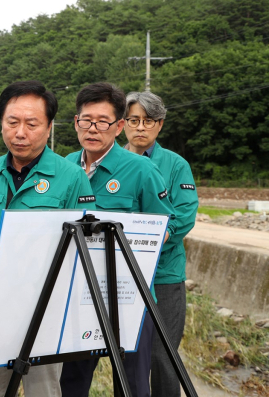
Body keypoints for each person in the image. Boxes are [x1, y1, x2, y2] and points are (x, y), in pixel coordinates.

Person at [0, 80, 96, 397]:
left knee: (43, 389)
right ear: (1, 123)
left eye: (31, 124)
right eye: (12, 122)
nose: (20, 133)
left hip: (45, 307)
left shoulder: (71, 177)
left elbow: (86, 248)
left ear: (48, 128)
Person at [60, 82, 177, 397]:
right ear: (76, 122)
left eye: (103, 122)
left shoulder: (141, 170)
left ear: (119, 126)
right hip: (78, 297)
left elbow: (166, 224)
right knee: (71, 382)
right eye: (86, 120)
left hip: (131, 298)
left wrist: (141, 241)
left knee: (133, 385)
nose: (93, 128)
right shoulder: (64, 167)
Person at [123, 91, 198, 397]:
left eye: (148, 121)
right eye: (133, 120)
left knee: (163, 355)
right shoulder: (113, 162)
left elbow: (183, 215)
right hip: (121, 274)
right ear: (122, 124)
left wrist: (149, 242)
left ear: (160, 125)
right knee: (127, 355)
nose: (140, 127)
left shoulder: (175, 165)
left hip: (163, 275)